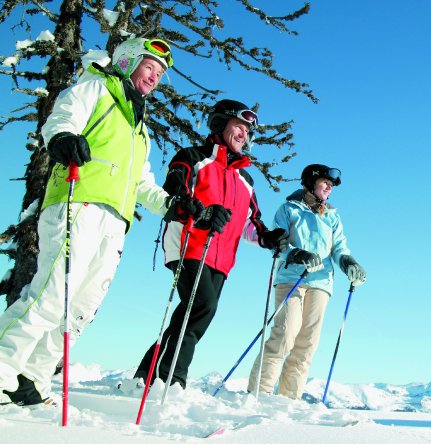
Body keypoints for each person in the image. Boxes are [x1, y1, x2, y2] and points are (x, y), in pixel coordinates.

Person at [0, 38, 197, 406]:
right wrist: (61, 139)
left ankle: (31, 379)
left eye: (160, 73)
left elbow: (141, 183)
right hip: (77, 202)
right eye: (148, 67)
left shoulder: (140, 129)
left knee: (80, 309)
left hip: (114, 222)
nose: (154, 77)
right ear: (126, 62)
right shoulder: (97, 88)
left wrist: (173, 205)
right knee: (51, 295)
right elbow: (62, 118)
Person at [130, 99, 289, 389]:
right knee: (201, 305)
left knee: (194, 311)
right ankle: (169, 379)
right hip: (188, 245)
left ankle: (147, 372)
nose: (244, 134)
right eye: (239, 127)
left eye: (248, 131)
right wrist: (201, 213)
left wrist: (269, 237)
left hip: (222, 258)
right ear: (219, 124)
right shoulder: (192, 157)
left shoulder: (246, 179)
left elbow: (250, 222)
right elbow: (176, 194)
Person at [247, 164, 366, 400]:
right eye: (325, 183)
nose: (329, 189)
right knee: (285, 334)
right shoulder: (289, 209)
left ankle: (288, 400)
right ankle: (258, 394)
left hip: (321, 283)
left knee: (307, 344)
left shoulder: (332, 216)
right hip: (292, 278)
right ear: (310, 183)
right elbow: (277, 243)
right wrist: (296, 253)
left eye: (331, 186)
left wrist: (348, 263)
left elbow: (339, 247)